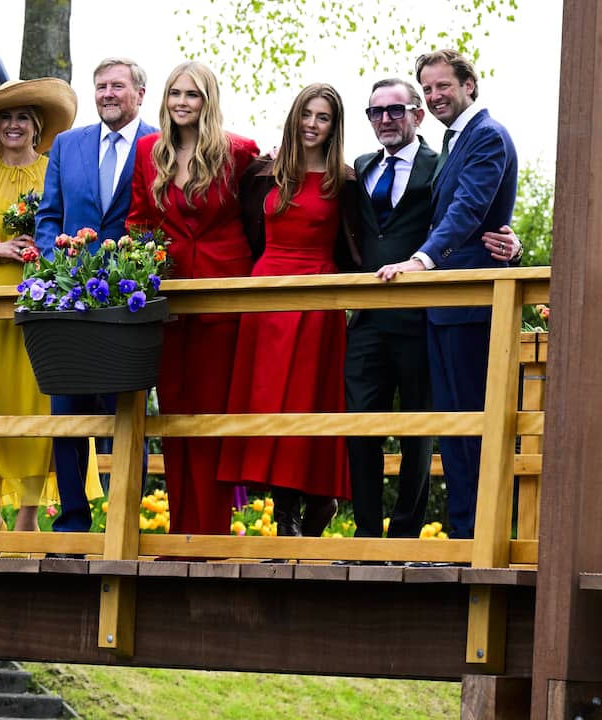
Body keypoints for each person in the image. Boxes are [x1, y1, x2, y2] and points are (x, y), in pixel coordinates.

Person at [375, 50, 519, 539]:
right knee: (454, 430)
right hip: (445, 307)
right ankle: (463, 536)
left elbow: (468, 210)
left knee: (472, 426)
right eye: (428, 89)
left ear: (469, 85)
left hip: (469, 305)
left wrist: (421, 261)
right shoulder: (455, 139)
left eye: (443, 86)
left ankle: (477, 538)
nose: (435, 96)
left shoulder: (487, 136)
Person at [126, 61, 258, 538]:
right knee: (174, 415)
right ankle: (180, 535)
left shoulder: (239, 153)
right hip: (168, 301)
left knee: (211, 417)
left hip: (222, 299)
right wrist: (143, 267)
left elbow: (259, 219)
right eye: (175, 93)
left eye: (192, 94)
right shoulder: (148, 151)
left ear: (208, 101)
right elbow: (139, 221)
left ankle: (212, 536)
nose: (182, 102)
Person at [220, 83, 359, 536]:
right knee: (267, 400)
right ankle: (285, 512)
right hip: (266, 294)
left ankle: (318, 500)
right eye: (306, 114)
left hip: (317, 297)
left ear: (334, 126)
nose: (312, 124)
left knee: (308, 400)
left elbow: (362, 241)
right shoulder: (264, 173)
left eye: (323, 117)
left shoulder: (346, 181)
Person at [34, 58, 157, 536]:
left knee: (127, 415)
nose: (107, 93)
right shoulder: (68, 145)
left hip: (130, 303)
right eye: (101, 85)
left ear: (139, 93)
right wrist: (59, 266)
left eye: (118, 86)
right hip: (71, 303)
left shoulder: (158, 144)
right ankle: (71, 524)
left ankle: (125, 523)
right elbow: (49, 216)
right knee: (67, 414)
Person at [0, 78, 77, 531]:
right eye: (5, 117)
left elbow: (71, 228)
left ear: (38, 125)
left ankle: (28, 514)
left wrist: (48, 249)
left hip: (43, 300)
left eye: (23, 116)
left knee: (37, 404)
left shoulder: (53, 171)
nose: (14, 125)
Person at [344, 79, 439, 541]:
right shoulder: (361, 167)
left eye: (395, 110)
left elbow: (465, 216)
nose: (385, 119)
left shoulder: (439, 167)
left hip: (420, 318)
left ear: (417, 114)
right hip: (366, 320)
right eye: (375, 112)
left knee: (417, 429)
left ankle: (405, 538)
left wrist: (512, 243)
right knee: (360, 425)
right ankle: (366, 535)